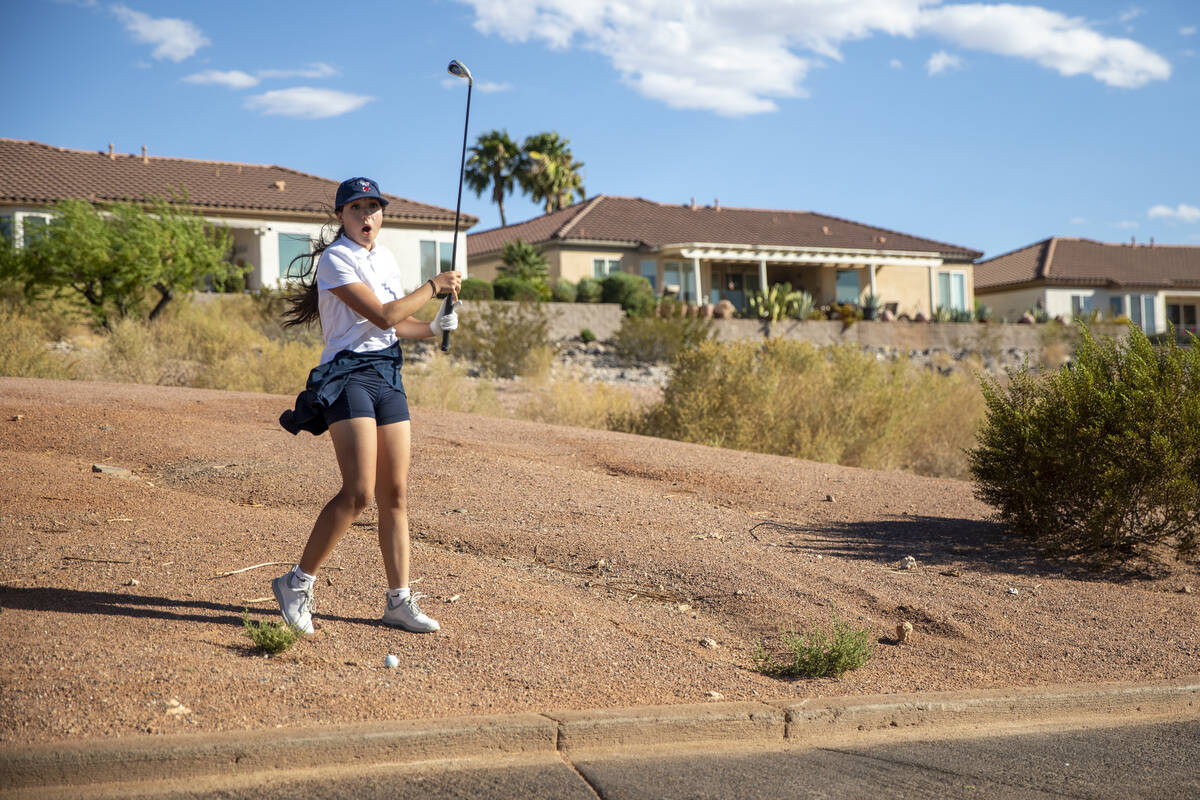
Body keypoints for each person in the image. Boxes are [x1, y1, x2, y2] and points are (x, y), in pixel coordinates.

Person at [273, 176, 461, 635]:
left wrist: (436, 328)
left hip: (387, 375)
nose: (366, 217)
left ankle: (399, 601)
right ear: (341, 216)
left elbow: (396, 326)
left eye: (373, 208)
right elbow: (382, 314)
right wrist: (434, 285)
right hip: (347, 375)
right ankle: (296, 584)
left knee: (394, 493)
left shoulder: (385, 258)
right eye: (356, 209)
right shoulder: (337, 260)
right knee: (359, 492)